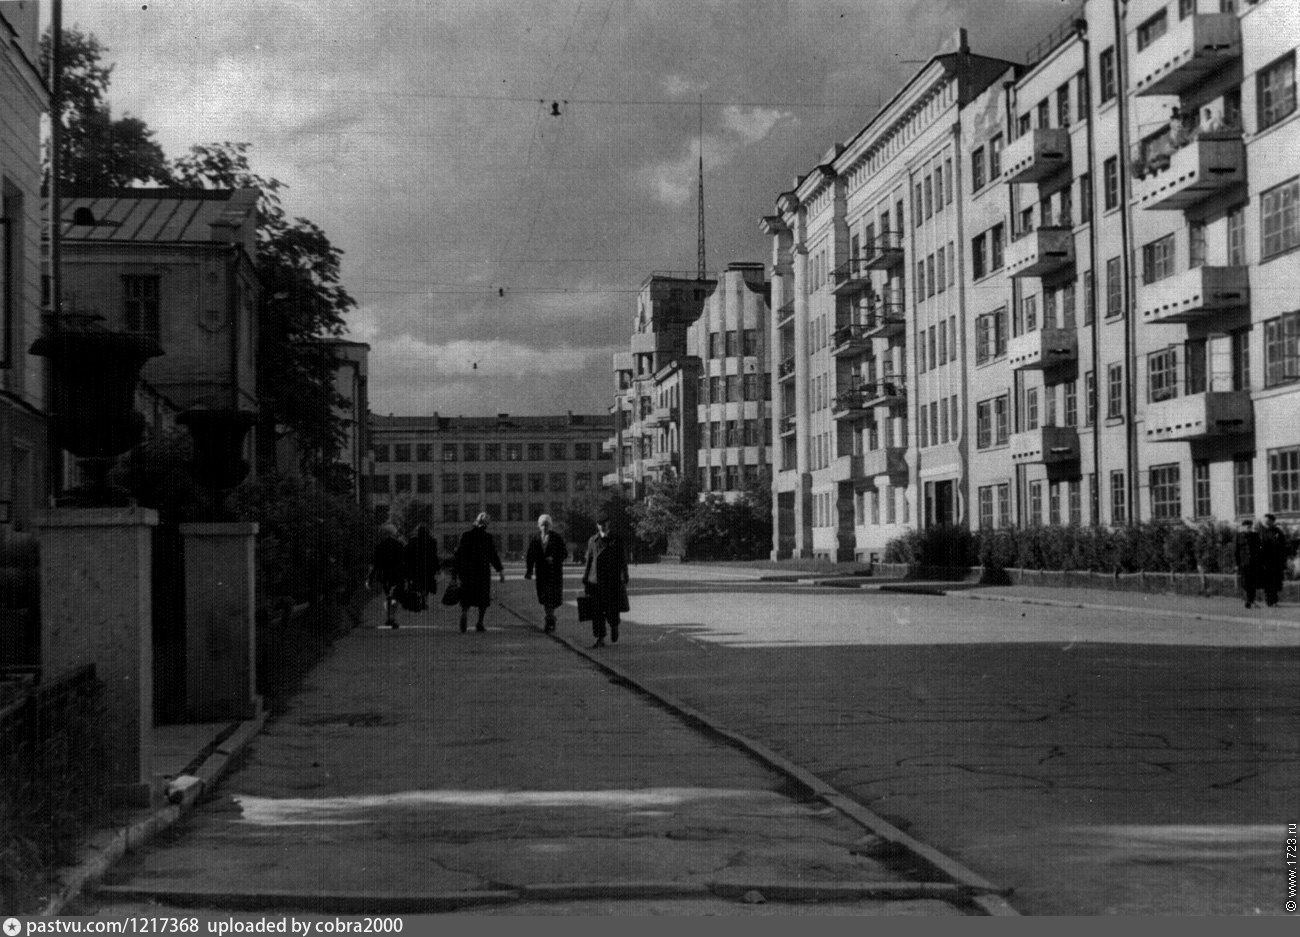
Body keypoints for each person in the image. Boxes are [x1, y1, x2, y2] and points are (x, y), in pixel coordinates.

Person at [582, 514, 629, 649]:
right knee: (596, 611)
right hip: (595, 580)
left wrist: (625, 574)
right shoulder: (593, 540)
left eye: (605, 523)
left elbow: (622, 559)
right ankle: (600, 638)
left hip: (611, 580)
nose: (603, 525)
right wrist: (585, 578)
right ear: (597, 525)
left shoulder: (616, 539)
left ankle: (614, 625)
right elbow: (589, 560)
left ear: (609, 524)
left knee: (611, 609)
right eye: (600, 523)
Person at [452, 512, 504, 632]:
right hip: (482, 572)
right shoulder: (487, 537)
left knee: (466, 595)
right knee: (483, 599)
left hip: (467, 572)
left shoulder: (466, 535)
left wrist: (454, 574)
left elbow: (458, 555)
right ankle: (479, 623)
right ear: (486, 525)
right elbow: (493, 556)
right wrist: (500, 571)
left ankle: (464, 612)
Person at [525, 513, 566, 633]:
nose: (545, 527)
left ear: (550, 525)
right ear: (539, 526)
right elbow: (530, 556)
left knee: (551, 597)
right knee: (544, 596)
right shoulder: (535, 539)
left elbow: (564, 553)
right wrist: (529, 571)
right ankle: (550, 617)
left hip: (554, 573)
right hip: (541, 573)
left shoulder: (556, 538)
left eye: (547, 525)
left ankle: (549, 619)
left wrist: (554, 558)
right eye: (542, 525)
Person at [367, 523, 406, 628]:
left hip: (384, 574)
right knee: (395, 596)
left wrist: (371, 577)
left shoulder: (380, 546)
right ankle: (392, 617)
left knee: (388, 595)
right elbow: (404, 560)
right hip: (397, 574)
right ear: (393, 533)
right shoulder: (399, 545)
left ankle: (389, 617)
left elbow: (375, 563)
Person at [403, 523, 441, 611]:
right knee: (426, 585)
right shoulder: (432, 541)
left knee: (417, 584)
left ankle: (419, 599)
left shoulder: (413, 541)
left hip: (415, 567)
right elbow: (434, 556)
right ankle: (424, 600)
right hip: (428, 567)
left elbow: (406, 554)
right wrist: (437, 567)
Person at [1258, 513, 1289, 608]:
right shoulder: (1260, 532)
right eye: (1265, 520)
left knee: (1275, 581)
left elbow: (1283, 546)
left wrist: (1283, 560)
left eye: (1268, 521)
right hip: (1265, 561)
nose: (1266, 522)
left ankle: (1274, 601)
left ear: (1272, 522)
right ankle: (1269, 601)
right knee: (1267, 582)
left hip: (1276, 560)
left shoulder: (1277, 532)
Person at [1234, 518, 1261, 609]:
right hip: (1243, 563)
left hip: (1254, 563)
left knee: (1252, 582)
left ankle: (1251, 600)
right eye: (1246, 527)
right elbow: (1236, 551)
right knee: (1245, 583)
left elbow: (1258, 550)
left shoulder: (1255, 536)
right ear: (1243, 527)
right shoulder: (1238, 536)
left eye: (1250, 527)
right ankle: (1248, 600)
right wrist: (1236, 564)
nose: (1248, 528)